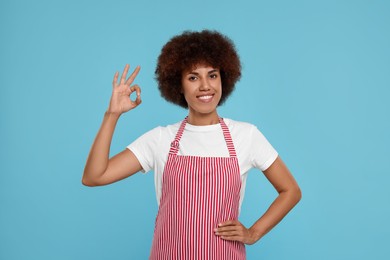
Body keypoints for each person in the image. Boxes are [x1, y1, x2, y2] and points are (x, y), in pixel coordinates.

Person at [83, 30, 301, 259]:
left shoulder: (246, 136)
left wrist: (254, 233)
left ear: (224, 79)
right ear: (178, 85)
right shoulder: (161, 139)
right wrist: (112, 114)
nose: (205, 86)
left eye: (213, 75)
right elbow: (94, 176)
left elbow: (291, 191)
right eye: (193, 77)